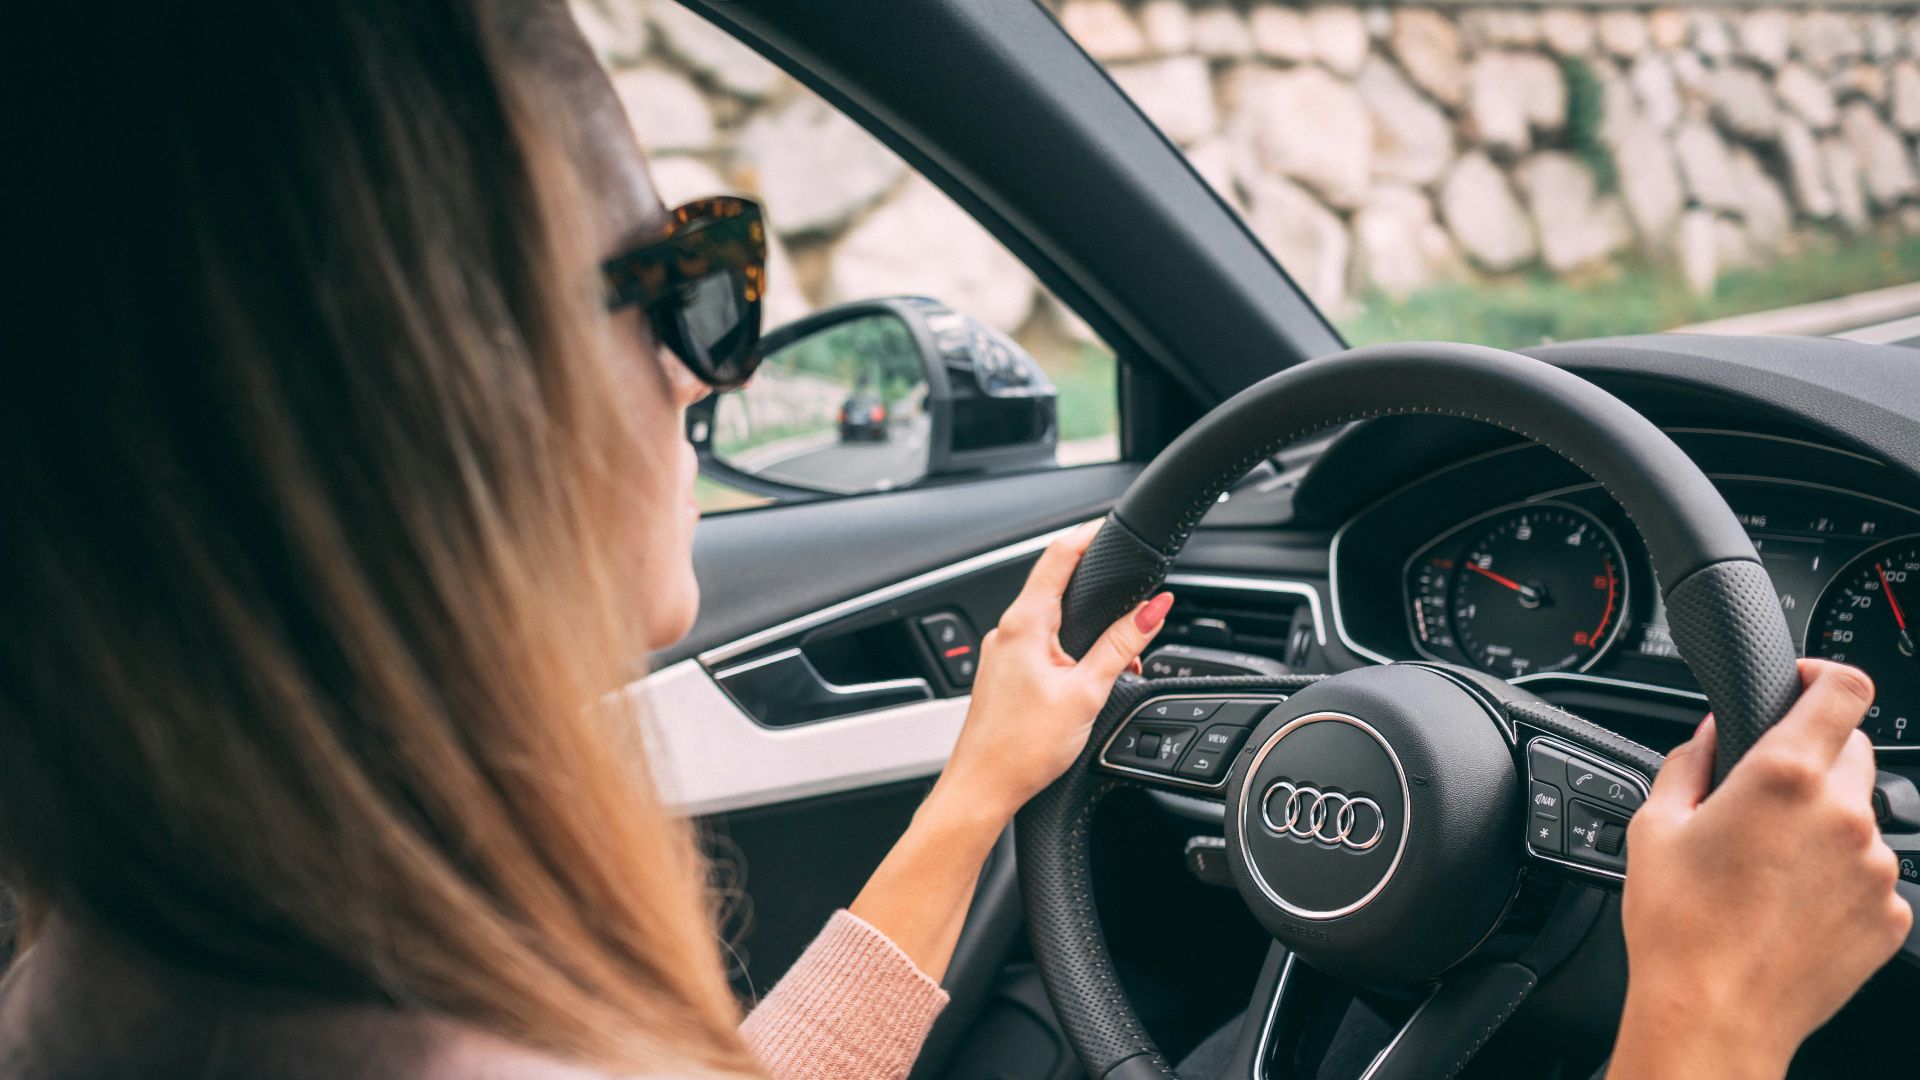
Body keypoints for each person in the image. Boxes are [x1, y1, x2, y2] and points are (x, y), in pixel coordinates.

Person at [0, 2, 1904, 1079]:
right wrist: (1706, 1018)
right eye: (692, 284)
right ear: (433, 383)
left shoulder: (131, 979)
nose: (704, 371)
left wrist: (976, 797)